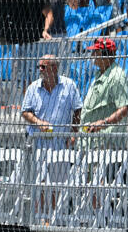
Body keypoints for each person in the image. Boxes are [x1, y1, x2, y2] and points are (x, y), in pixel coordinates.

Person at [21, 54, 82, 211]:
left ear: (54, 68)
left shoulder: (69, 85)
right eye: (39, 67)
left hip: (60, 143)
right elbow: (25, 112)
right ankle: (41, 217)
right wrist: (38, 122)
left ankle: (54, 217)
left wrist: (74, 133)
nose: (40, 70)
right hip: (38, 143)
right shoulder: (33, 87)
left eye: (43, 66)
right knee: (40, 183)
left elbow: (77, 110)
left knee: (56, 184)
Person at [79, 37, 128, 146]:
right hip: (91, 140)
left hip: (105, 142)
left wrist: (104, 123)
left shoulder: (116, 76)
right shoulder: (100, 74)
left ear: (105, 55)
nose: (92, 56)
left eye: (95, 52)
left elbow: (124, 108)